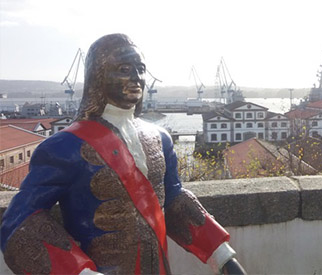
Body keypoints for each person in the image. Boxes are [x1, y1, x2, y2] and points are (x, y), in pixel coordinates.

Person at [0, 33, 246, 275]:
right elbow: (20, 222)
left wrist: (222, 255)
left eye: (140, 69)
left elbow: (173, 200)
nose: (136, 77)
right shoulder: (63, 147)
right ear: (98, 75)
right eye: (124, 69)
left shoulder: (160, 139)